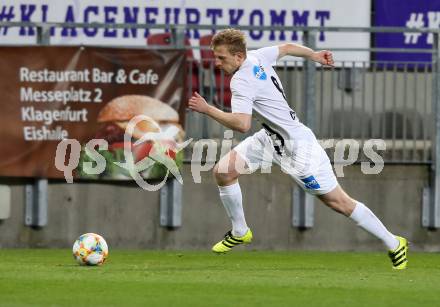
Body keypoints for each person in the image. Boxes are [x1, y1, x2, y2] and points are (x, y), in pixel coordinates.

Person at [188, 28, 408, 269]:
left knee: (338, 202)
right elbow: (286, 48)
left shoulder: (241, 81)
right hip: (270, 139)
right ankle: (240, 231)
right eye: (216, 56)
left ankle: (394, 242)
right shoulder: (258, 56)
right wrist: (312, 54)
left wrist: (207, 109)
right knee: (224, 171)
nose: (216, 63)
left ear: (239, 56)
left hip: (298, 148)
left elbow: (242, 124)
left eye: (222, 57)